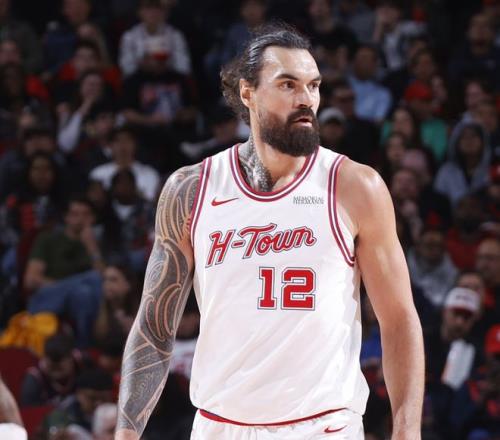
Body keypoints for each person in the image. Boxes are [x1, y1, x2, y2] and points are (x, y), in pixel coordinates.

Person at [116, 25, 424, 439]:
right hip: (220, 427)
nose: (306, 99)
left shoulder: (355, 186)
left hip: (323, 426)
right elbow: (154, 328)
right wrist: (126, 433)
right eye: (288, 85)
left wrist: (407, 431)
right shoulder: (192, 189)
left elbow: (399, 320)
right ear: (248, 93)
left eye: (313, 85)